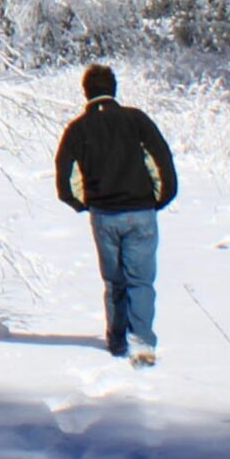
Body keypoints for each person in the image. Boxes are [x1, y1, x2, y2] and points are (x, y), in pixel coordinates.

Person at [54, 64, 177, 367]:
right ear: (114, 89)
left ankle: (117, 340)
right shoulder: (137, 121)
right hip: (141, 213)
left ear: (86, 92)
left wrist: (85, 203)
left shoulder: (78, 129)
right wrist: (158, 199)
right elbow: (162, 162)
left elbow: (66, 176)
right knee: (141, 282)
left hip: (104, 216)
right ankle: (143, 345)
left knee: (114, 281)